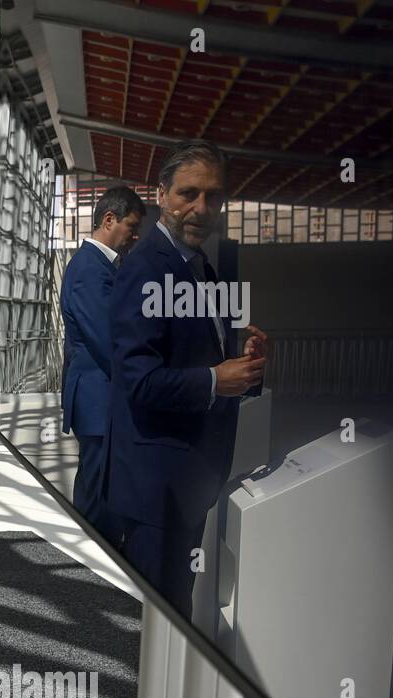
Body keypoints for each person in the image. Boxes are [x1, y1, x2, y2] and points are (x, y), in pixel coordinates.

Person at [104, 140, 266, 618]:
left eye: (213, 196)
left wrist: (245, 367)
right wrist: (216, 379)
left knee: (173, 614)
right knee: (157, 624)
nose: (200, 208)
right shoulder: (143, 269)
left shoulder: (201, 269)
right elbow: (138, 382)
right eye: (188, 194)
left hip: (187, 481)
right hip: (158, 489)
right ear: (160, 195)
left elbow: (198, 359)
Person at [60, 185, 144, 544]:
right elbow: (106, 338)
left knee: (100, 488)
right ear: (109, 219)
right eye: (131, 226)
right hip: (98, 400)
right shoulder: (91, 270)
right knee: (98, 498)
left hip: (99, 399)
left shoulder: (96, 267)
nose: (135, 236)